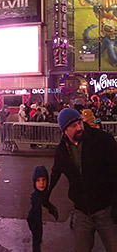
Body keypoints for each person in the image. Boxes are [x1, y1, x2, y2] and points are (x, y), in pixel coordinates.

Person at [47, 108, 117, 252]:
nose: (79, 128)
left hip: (106, 210)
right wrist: (44, 196)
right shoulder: (62, 151)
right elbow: (55, 174)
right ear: (64, 130)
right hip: (82, 213)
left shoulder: (101, 139)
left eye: (80, 122)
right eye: (74, 126)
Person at [28, 165, 53, 252]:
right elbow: (30, 215)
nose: (41, 183)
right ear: (34, 182)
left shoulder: (43, 193)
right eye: (38, 181)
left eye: (44, 180)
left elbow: (45, 201)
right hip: (36, 226)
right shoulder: (35, 197)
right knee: (36, 243)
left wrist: (51, 208)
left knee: (38, 242)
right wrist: (34, 228)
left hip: (38, 226)